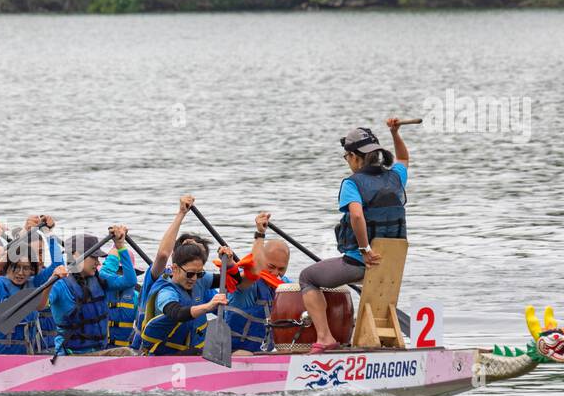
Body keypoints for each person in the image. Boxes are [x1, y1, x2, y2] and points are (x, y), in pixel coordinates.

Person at [302, 119, 410, 352]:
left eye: (346, 157)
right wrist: (395, 133)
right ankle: (375, 338)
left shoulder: (352, 183)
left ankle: (324, 338)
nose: (347, 162)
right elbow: (403, 159)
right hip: (391, 266)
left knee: (307, 278)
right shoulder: (396, 178)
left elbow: (357, 216)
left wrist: (365, 250)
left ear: (354, 156)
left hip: (361, 263)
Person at [0, 217, 63, 354]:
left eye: (26, 268)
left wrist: (48, 233)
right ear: (7, 266)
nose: (21, 273)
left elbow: (58, 265)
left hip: (25, 357)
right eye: (16, 267)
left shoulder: (34, 282)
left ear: (32, 270)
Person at [48, 227, 136, 355]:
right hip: (70, 356)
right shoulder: (60, 286)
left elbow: (130, 280)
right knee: (126, 353)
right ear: (76, 255)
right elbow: (41, 305)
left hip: (97, 353)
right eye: (94, 257)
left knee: (127, 353)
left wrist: (120, 245)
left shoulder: (100, 280)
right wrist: (49, 282)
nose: (97, 262)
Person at [137, 243, 229, 355]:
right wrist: (208, 306)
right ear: (175, 268)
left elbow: (232, 280)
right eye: (190, 274)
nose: (194, 279)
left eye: (199, 274)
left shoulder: (199, 280)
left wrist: (230, 264)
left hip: (191, 354)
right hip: (161, 357)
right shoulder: (166, 291)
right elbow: (176, 313)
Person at [222, 212, 291, 353]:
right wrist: (260, 234)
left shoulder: (286, 285)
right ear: (262, 261)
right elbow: (254, 270)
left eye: (281, 269)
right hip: (234, 352)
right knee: (243, 355)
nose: (276, 274)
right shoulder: (247, 283)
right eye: (271, 267)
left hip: (264, 352)